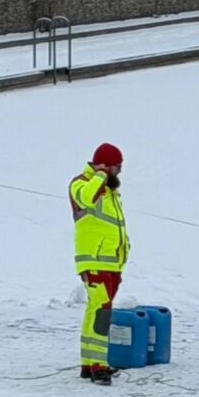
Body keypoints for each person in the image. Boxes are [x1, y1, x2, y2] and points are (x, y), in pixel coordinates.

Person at [69, 144, 130, 384]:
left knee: (96, 310)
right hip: (95, 261)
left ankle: (89, 364)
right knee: (102, 313)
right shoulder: (82, 183)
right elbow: (86, 198)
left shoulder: (109, 191)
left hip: (111, 262)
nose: (119, 171)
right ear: (105, 165)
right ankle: (98, 366)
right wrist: (101, 175)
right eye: (117, 166)